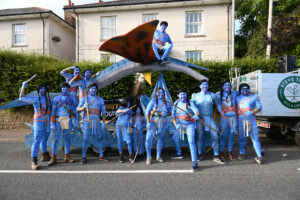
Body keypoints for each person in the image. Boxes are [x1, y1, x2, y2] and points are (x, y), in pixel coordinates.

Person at [190, 80, 225, 164]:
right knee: (200, 137)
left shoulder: (212, 95)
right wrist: (195, 110)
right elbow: (191, 103)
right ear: (200, 86)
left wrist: (222, 113)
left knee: (215, 136)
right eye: (203, 85)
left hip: (209, 118)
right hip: (199, 119)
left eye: (206, 84)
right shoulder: (195, 95)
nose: (204, 86)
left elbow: (218, 105)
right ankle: (200, 154)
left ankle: (216, 156)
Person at [19, 82, 52, 170]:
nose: (42, 90)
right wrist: (23, 87)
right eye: (41, 88)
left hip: (47, 123)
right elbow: (21, 99)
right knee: (37, 140)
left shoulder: (49, 99)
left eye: (44, 88)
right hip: (38, 122)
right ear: (38, 90)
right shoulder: (35, 98)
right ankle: (34, 162)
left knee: (44, 140)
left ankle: (45, 155)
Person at [77, 84, 108, 164]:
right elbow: (77, 109)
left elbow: (103, 112)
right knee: (86, 139)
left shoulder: (100, 99)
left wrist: (103, 122)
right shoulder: (84, 99)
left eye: (95, 88)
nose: (93, 90)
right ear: (89, 90)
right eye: (92, 88)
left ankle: (101, 155)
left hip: (97, 121)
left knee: (99, 138)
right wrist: (83, 107)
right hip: (87, 121)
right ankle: (83, 156)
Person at [48, 83, 78, 166]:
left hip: (68, 119)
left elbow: (73, 112)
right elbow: (53, 112)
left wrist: (66, 107)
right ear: (61, 89)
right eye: (63, 87)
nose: (64, 89)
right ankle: (53, 157)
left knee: (67, 139)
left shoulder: (72, 99)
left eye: (66, 87)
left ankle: (67, 156)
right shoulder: (56, 99)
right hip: (58, 120)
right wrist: (52, 123)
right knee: (56, 139)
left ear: (69, 89)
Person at [172, 88, 199, 171]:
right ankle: (179, 153)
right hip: (180, 125)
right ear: (178, 95)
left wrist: (196, 115)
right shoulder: (176, 103)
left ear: (186, 95)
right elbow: (173, 115)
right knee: (174, 138)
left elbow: (196, 111)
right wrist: (176, 124)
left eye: (184, 94)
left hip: (190, 125)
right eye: (181, 94)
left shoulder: (189, 102)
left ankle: (194, 161)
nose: (182, 96)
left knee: (191, 141)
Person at [236, 83, 263, 164]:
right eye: (243, 89)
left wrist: (251, 112)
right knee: (241, 139)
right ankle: (242, 153)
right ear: (240, 90)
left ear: (249, 89)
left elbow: (259, 107)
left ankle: (259, 155)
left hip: (252, 121)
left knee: (255, 138)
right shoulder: (236, 97)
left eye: (246, 89)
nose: (245, 90)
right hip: (240, 121)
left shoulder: (254, 96)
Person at [145, 87, 172, 164]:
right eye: (159, 92)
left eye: (162, 93)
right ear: (156, 93)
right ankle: (148, 157)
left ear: (164, 93)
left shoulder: (167, 102)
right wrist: (148, 122)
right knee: (148, 139)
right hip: (153, 122)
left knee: (160, 139)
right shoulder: (153, 101)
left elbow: (170, 112)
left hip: (163, 122)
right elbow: (147, 112)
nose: (161, 94)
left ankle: (158, 156)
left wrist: (166, 114)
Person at [216, 81, 238, 160]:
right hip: (224, 119)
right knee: (223, 136)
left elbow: (244, 93)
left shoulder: (235, 93)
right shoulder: (218, 95)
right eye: (225, 85)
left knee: (232, 136)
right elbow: (215, 102)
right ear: (222, 87)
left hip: (234, 119)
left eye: (229, 85)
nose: (227, 86)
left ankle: (229, 152)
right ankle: (221, 152)